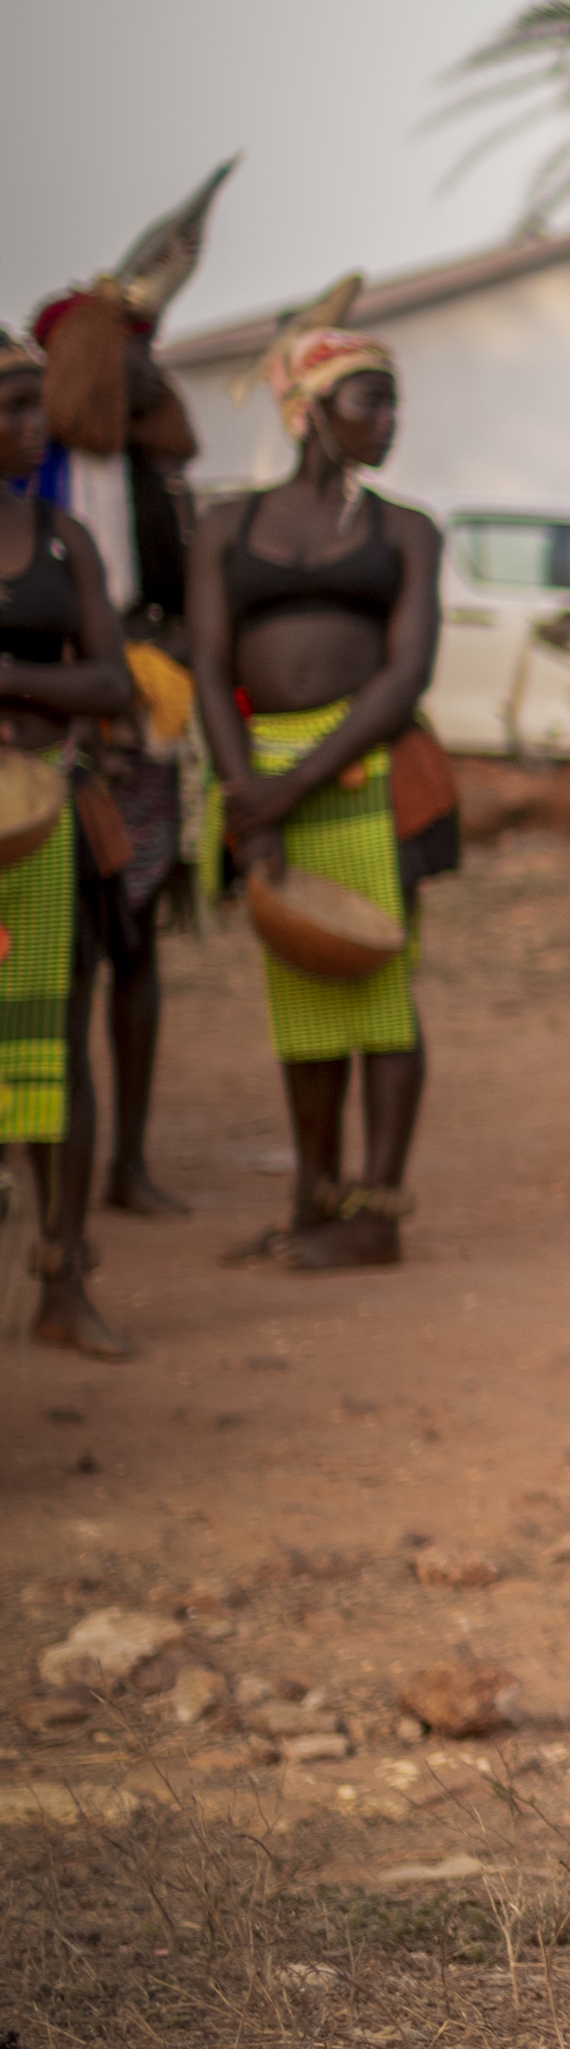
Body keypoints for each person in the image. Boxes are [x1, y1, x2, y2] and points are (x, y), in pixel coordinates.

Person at [186, 326, 449, 1272]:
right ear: (309, 412)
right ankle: (313, 1196)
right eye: (368, 400)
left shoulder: (407, 529)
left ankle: (377, 1210)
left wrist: (293, 784)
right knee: (299, 986)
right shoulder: (226, 526)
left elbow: (406, 672)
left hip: (369, 776)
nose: (388, 419)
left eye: (393, 401)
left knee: (380, 983)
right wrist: (246, 793)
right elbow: (209, 671)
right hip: (257, 776)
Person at [31, 169, 226, 1220]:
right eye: (135, 348)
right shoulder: (33, 489)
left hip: (145, 725)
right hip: (56, 734)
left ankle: (129, 1162)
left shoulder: (159, 482)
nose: (156, 369)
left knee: (138, 939)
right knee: (53, 961)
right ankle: (48, 1170)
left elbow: (191, 596)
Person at [0, 328, 138, 1355]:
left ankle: (61, 1278)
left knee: (57, 1048)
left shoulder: (62, 539)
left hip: (45, 817)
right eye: (9, 407)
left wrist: (11, 685)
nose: (29, 426)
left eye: (31, 405)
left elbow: (112, 682)